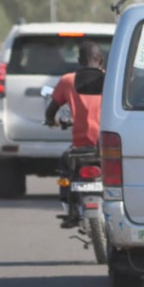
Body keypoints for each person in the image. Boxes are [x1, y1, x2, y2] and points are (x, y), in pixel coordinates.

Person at [45, 42, 104, 228]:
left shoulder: (68, 81)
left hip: (81, 147)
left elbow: (51, 111)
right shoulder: (111, 78)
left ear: (79, 61)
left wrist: (51, 121)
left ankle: (71, 211)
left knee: (65, 167)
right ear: (100, 60)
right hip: (108, 144)